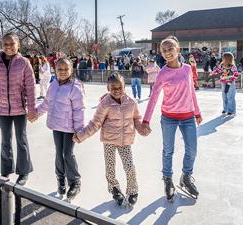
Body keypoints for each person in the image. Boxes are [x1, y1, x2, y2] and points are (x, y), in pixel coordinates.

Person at [140, 35, 203, 202]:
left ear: (177, 49)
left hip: (188, 116)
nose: (167, 52)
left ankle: (186, 177)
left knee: (192, 150)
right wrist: (145, 120)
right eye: (164, 50)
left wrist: (197, 112)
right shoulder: (162, 73)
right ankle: (168, 180)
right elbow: (153, 98)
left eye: (170, 49)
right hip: (169, 117)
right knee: (168, 151)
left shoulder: (188, 69)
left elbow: (192, 92)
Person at [73, 72, 144, 206]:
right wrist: (81, 135)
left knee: (129, 167)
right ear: (108, 88)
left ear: (124, 86)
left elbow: (136, 118)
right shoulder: (105, 104)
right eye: (113, 88)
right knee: (110, 167)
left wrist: (141, 128)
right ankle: (115, 189)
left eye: (120, 87)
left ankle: (133, 190)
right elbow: (95, 123)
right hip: (109, 140)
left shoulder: (131, 102)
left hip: (125, 141)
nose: (117, 90)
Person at [0, 32, 37, 185]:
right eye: (5, 44)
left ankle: (24, 171)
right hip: (2, 108)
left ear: (18, 45)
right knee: (5, 140)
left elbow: (30, 87)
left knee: (21, 140)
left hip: (20, 109)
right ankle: (6, 170)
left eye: (11, 44)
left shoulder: (24, 63)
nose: (8, 47)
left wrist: (32, 108)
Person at [35, 57, 84, 201]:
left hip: (70, 127)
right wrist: (35, 113)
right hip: (57, 125)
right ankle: (61, 179)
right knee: (59, 152)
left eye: (66, 69)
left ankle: (75, 182)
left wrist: (79, 130)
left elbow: (79, 110)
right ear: (55, 70)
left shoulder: (75, 87)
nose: (62, 72)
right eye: (59, 69)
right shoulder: (53, 85)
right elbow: (46, 103)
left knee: (67, 153)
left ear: (71, 70)